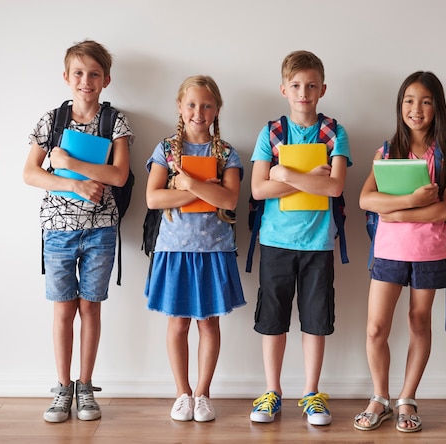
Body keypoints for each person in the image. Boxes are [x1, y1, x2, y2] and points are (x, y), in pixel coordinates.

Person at [23, 40, 134, 423]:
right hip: (57, 230)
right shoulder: (51, 121)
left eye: (94, 74)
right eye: (79, 73)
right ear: (66, 77)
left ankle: (85, 387)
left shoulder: (113, 121)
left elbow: (118, 175)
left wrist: (69, 162)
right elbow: (30, 174)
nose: (86, 80)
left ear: (106, 80)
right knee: (63, 309)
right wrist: (73, 184)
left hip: (101, 229)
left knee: (90, 306)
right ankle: (62, 388)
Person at [355, 71, 446, 433]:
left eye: (426, 101)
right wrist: (411, 201)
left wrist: (397, 212)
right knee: (375, 329)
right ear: (400, 105)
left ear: (437, 108)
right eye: (409, 101)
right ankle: (380, 397)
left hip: (429, 253)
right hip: (388, 252)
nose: (416, 109)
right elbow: (365, 199)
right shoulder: (386, 152)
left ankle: (407, 398)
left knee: (419, 322)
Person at [249, 50, 352, 426]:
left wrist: (285, 174)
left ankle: (312, 394)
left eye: (310, 85)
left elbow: (336, 186)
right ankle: (271, 392)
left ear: (322, 89)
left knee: (315, 320)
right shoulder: (271, 132)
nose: (303, 92)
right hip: (275, 241)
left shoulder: (335, 132)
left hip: (318, 243)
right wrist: (310, 177)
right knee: (272, 320)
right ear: (283, 89)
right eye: (295, 85)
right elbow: (259, 189)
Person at [144, 75, 245, 423]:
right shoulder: (167, 150)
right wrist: (196, 186)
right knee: (178, 325)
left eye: (206, 105)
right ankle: (182, 393)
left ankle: (203, 393)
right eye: (191, 104)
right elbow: (154, 197)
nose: (198, 112)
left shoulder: (226, 153)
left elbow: (229, 199)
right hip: (174, 250)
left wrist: (187, 184)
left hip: (215, 249)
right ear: (179, 107)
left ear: (216, 110)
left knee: (209, 325)